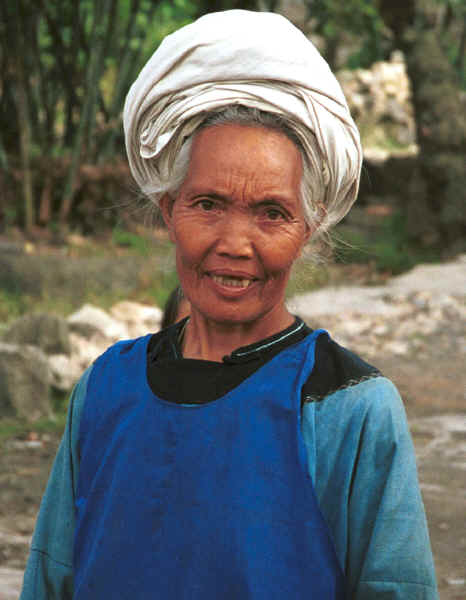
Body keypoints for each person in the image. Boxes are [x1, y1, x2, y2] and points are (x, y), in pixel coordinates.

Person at [20, 10, 438, 600]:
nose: (235, 245)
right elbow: (51, 578)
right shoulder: (105, 388)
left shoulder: (350, 409)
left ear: (309, 228)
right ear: (169, 211)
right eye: (208, 204)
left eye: (272, 212)